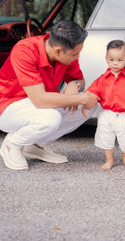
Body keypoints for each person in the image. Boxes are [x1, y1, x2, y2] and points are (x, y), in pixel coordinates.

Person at [0, 20, 98, 171]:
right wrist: (80, 97)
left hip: (38, 104)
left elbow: (78, 79)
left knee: (89, 106)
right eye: (75, 54)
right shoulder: (25, 50)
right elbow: (40, 100)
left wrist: (74, 85)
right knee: (50, 118)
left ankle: (35, 145)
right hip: (7, 106)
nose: (77, 58)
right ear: (58, 51)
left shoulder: (66, 51)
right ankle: (11, 144)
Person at [84, 40, 125, 170]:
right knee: (106, 138)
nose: (115, 63)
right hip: (107, 114)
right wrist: (84, 106)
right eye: (111, 59)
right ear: (106, 59)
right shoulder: (102, 79)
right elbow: (91, 93)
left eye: (120, 60)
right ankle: (109, 160)